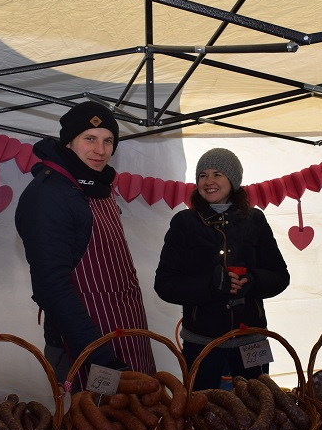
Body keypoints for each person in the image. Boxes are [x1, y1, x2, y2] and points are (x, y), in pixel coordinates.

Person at [15, 101, 156, 389]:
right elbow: (52, 287)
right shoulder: (49, 195)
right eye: (89, 139)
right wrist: (100, 356)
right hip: (85, 346)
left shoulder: (97, 186)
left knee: (140, 424)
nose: (101, 150)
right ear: (69, 143)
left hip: (126, 332)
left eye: (108, 141)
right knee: (97, 427)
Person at [154, 147, 290, 390]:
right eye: (203, 175)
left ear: (233, 180)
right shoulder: (184, 223)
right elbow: (164, 284)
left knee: (257, 410)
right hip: (202, 344)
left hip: (252, 340)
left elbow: (280, 276)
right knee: (203, 414)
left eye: (217, 174)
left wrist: (252, 281)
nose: (209, 181)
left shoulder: (255, 220)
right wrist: (210, 285)